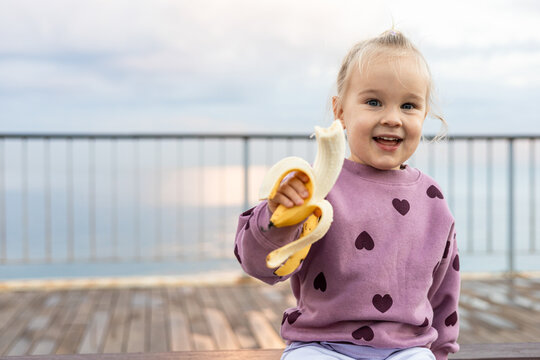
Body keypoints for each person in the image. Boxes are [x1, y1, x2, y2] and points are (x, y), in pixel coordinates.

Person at [234, 29, 460, 360]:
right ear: (340, 111)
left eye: (409, 105)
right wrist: (278, 215)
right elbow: (261, 265)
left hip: (406, 349)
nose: (392, 118)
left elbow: (444, 288)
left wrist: (440, 350)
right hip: (321, 344)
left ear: (423, 115)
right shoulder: (316, 187)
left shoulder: (432, 199)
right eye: (373, 102)